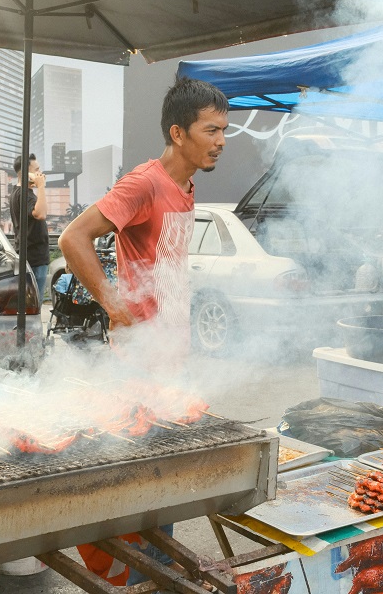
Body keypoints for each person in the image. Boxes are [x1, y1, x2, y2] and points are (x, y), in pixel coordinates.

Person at [59, 76, 229, 586]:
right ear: (179, 133)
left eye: (225, 130)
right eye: (211, 130)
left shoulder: (187, 185)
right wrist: (114, 306)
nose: (221, 140)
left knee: (164, 493)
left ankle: (154, 577)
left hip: (170, 363)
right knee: (142, 494)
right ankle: (137, 579)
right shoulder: (145, 182)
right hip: (138, 367)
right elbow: (74, 239)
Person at [9, 153, 49, 302]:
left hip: (29, 256)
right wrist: (41, 186)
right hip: (35, 258)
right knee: (34, 305)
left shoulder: (18, 193)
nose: (40, 174)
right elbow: (41, 214)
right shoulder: (25, 194)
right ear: (27, 173)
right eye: (37, 170)